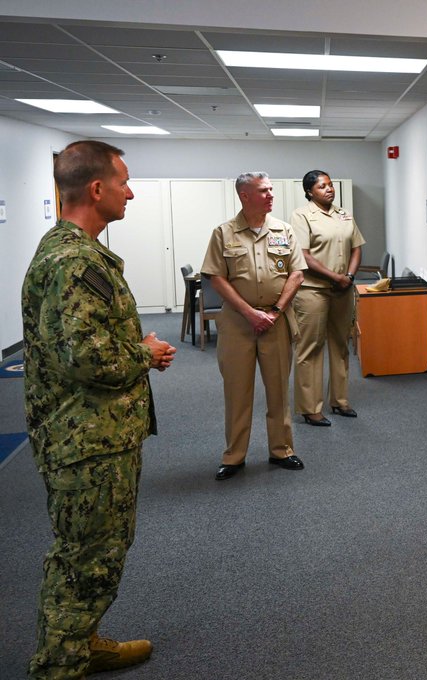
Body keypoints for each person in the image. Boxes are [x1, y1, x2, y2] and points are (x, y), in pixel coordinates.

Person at [24, 140, 176, 678]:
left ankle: (81, 643)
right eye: (124, 182)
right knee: (83, 560)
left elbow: (81, 343)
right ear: (96, 189)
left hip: (94, 434)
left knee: (97, 550)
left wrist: (134, 350)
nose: (130, 191)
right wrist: (146, 352)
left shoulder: (73, 251)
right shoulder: (74, 260)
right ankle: (58, 665)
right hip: (86, 440)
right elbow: (86, 357)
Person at [201, 172, 307, 481]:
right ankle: (234, 455)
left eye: (271, 189)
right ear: (244, 195)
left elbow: (296, 274)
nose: (271, 195)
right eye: (264, 191)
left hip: (276, 322)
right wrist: (249, 313)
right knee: (237, 392)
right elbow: (216, 277)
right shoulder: (224, 233)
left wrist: (274, 311)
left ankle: (282, 450)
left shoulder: (283, 230)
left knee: (278, 390)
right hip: (238, 323)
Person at [290, 170, 364, 426]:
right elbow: (304, 256)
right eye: (322, 186)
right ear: (310, 191)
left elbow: (356, 248)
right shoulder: (302, 215)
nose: (329, 189)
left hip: (343, 289)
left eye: (330, 185)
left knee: (341, 345)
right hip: (314, 291)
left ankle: (340, 401)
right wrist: (335, 276)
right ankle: (310, 408)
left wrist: (349, 277)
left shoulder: (343, 214)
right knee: (310, 348)